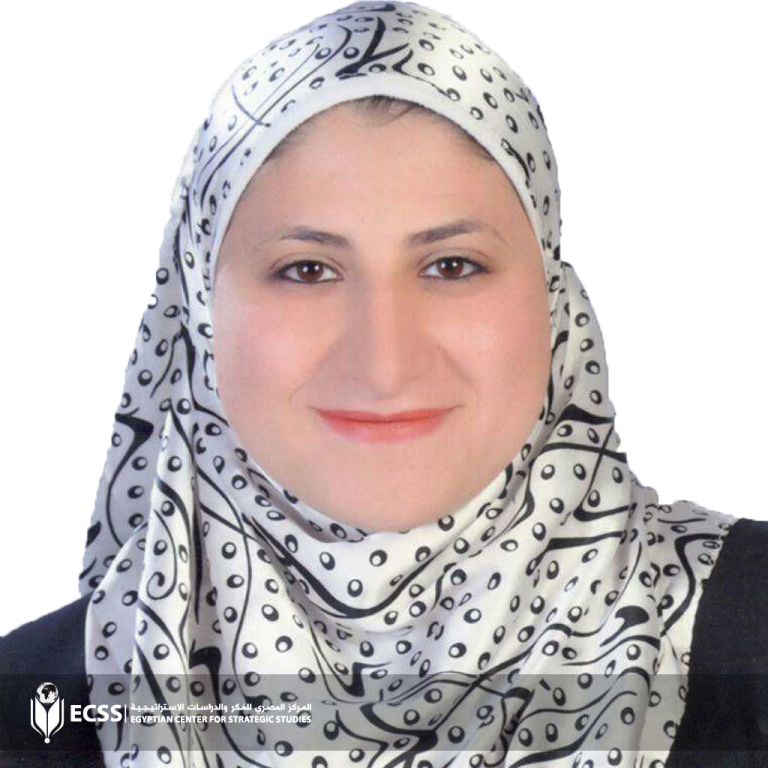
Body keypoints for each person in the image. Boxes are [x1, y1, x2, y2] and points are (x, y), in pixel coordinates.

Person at [1, 2, 766, 766]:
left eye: (452, 266)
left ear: (554, 302)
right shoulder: (30, 710)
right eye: (307, 270)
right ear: (201, 310)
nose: (384, 363)